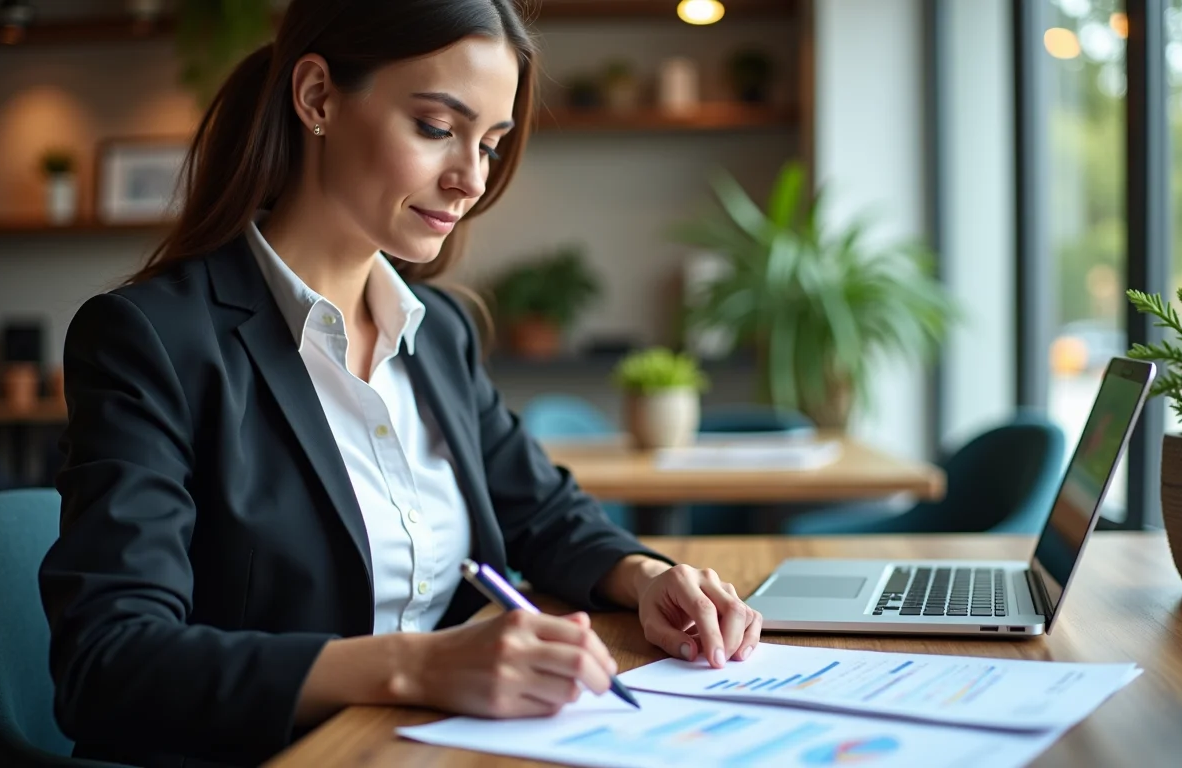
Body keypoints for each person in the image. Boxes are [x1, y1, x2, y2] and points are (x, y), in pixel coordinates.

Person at [37, 2, 762, 766]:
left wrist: (645, 578)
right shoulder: (151, 339)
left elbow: (542, 511)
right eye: (436, 128)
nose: (472, 179)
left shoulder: (437, 330)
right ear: (317, 97)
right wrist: (420, 664)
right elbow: (108, 662)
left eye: (490, 143)